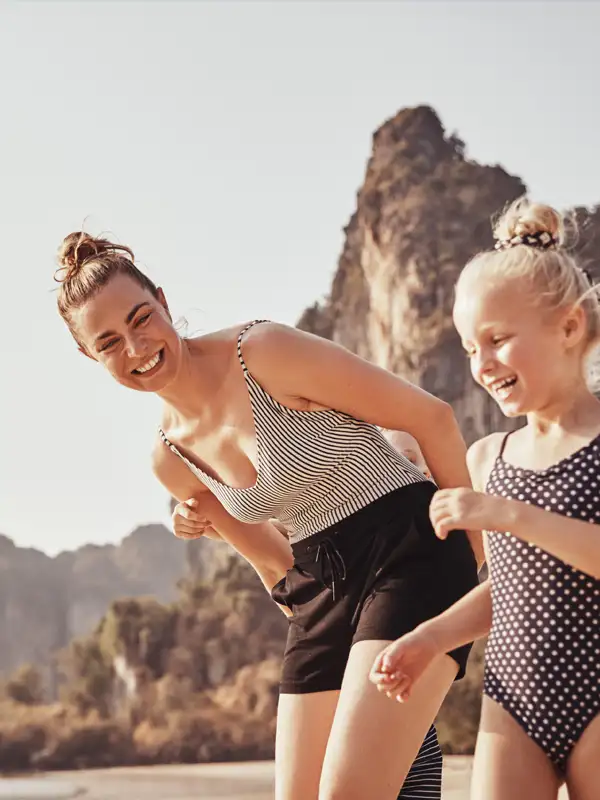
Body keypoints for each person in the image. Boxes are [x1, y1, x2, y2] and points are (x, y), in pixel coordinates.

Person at [53, 230, 481, 800]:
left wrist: (471, 563)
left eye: (140, 318)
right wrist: (208, 523)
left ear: (163, 299)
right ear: (89, 355)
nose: (135, 348)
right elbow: (275, 564)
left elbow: (433, 419)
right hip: (319, 592)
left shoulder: (263, 352)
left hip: (409, 548)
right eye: (108, 342)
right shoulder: (170, 459)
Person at [370, 199, 600, 800]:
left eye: (498, 340)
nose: (483, 364)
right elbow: (510, 586)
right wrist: (429, 638)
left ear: (570, 327)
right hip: (513, 699)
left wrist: (504, 514)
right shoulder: (489, 459)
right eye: (471, 348)